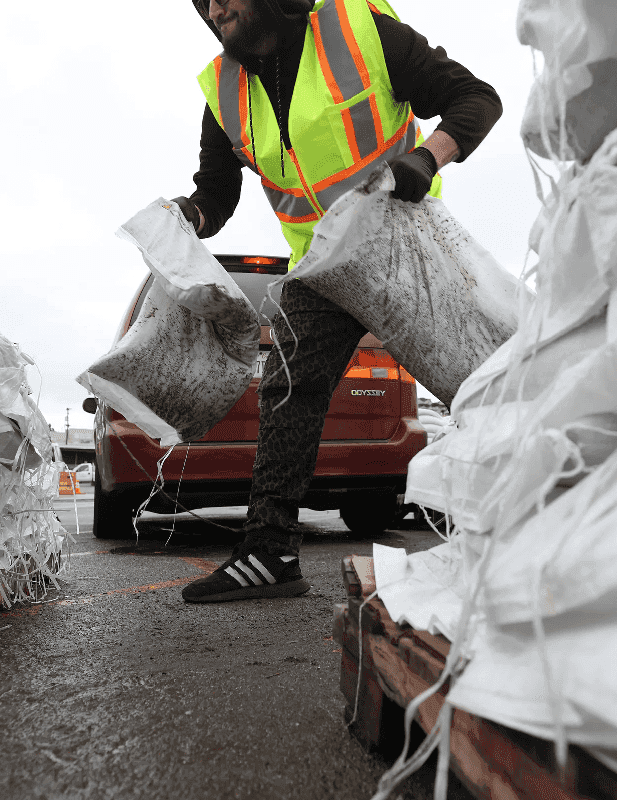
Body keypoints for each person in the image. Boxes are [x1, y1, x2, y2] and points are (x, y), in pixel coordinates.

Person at [177, 0, 502, 603]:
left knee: (479, 379)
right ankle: (268, 551)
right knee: (287, 386)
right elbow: (216, 192)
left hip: (402, 245)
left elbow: (477, 98)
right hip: (322, 264)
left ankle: (522, 521)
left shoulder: (356, 32)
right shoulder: (224, 91)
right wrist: (190, 215)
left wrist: (426, 160)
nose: (216, 5)